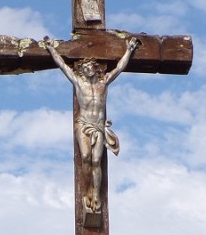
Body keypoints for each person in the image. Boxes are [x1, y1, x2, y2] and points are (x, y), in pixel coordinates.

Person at [44, 35, 140, 223]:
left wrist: (129, 50)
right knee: (86, 157)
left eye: (90, 67)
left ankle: (95, 194)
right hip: (84, 124)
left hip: (98, 127)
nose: (88, 69)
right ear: (82, 70)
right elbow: (63, 66)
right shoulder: (78, 83)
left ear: (95, 69)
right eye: (85, 67)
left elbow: (119, 68)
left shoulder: (103, 83)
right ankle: (87, 190)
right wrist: (51, 49)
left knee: (96, 161)